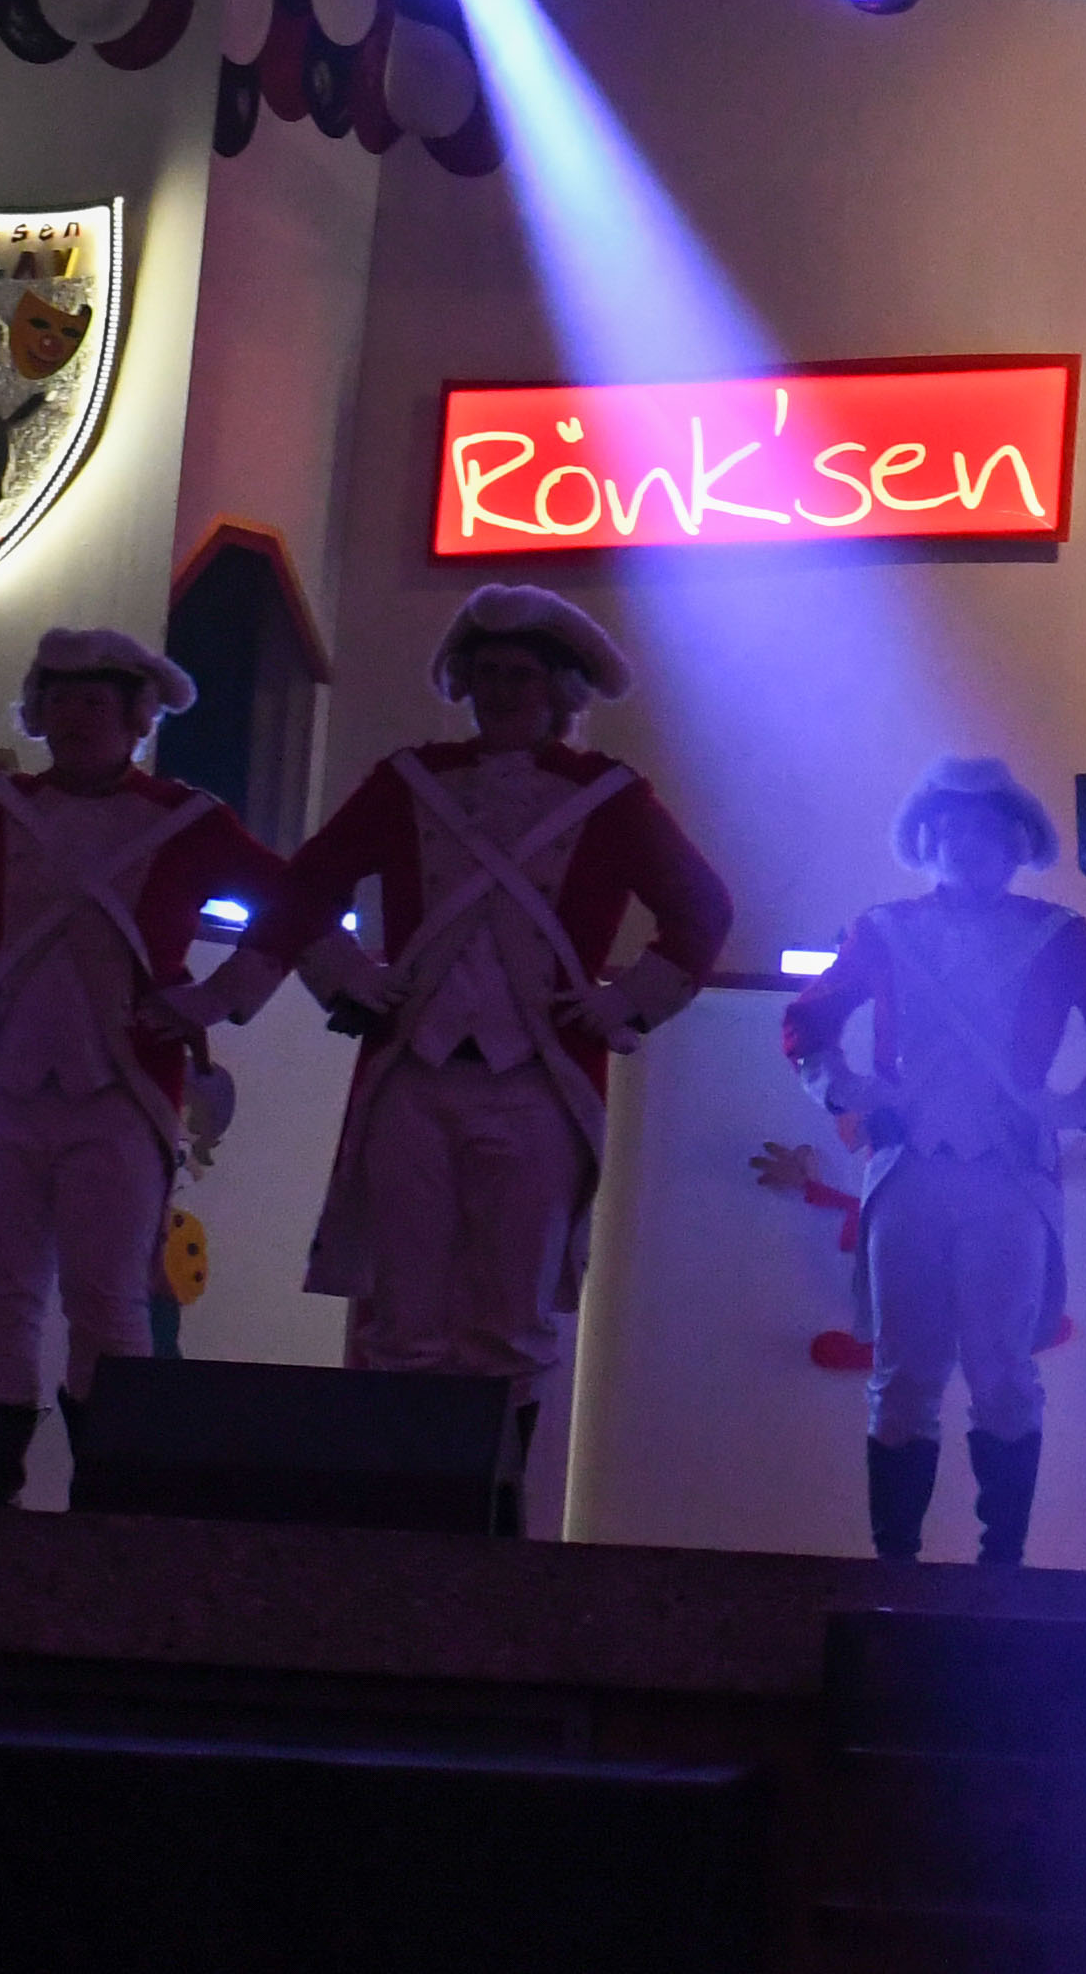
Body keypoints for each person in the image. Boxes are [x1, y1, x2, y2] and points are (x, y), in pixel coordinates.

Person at [203, 582, 724, 1522]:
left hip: (538, 1086)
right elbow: (304, 888)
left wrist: (622, 1004)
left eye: (521, 675)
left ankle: (493, 1523)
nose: (502, 692)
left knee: (511, 1323)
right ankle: (399, 1516)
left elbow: (701, 910)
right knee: (402, 1316)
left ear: (559, 690)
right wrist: (345, 977)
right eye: (486, 674)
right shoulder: (409, 781)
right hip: (414, 1075)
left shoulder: (610, 798)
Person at [0, 630, 297, 1509]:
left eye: (96, 703)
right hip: (2, 1089)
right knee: (0, 1301)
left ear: (138, 719)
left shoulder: (187, 818)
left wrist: (215, 998)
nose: (76, 718)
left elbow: (297, 904)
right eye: (61, 701)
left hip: (123, 1097)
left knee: (108, 1305)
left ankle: (109, 1509)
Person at [780, 758, 1086, 1567]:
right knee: (902, 1374)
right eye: (952, 829)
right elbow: (809, 1025)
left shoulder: (1057, 935)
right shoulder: (883, 929)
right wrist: (855, 1094)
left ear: (1017, 843)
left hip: (1009, 1179)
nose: (969, 844)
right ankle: (895, 1567)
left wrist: (1069, 1110)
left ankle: (1003, 1568)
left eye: (987, 831)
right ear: (928, 839)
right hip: (909, 1173)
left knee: (1003, 1371)